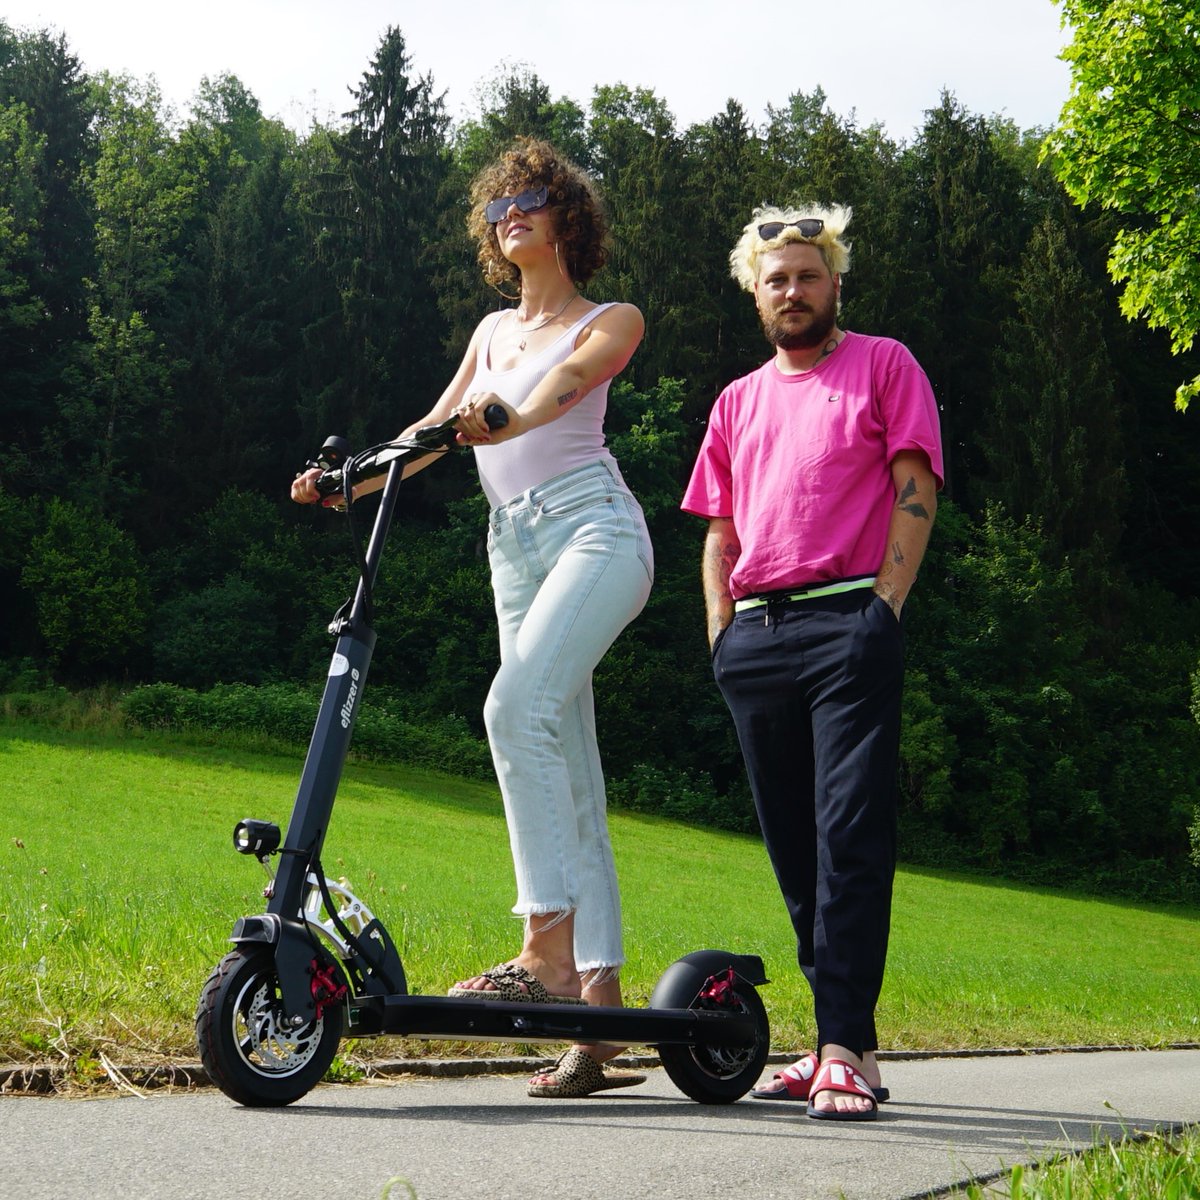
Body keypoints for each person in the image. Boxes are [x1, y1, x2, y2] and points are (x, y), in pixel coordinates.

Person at [292, 138, 653, 1099]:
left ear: (568, 217)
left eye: (531, 198)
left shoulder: (607, 318)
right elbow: (436, 428)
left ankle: (543, 950)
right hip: (515, 547)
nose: (511, 214)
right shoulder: (493, 330)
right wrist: (352, 479)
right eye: (498, 206)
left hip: (594, 531)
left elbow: (556, 394)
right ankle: (603, 1012)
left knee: (512, 711)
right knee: (566, 759)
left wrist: (502, 419)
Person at [681, 204, 943, 1121]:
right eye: (776, 278)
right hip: (755, 636)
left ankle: (837, 1042)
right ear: (756, 293)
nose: (793, 290)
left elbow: (916, 485)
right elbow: (718, 528)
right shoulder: (737, 400)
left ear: (835, 282)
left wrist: (884, 610)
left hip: (849, 626)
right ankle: (850, 1049)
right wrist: (721, 633)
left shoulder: (884, 364)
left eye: (808, 274)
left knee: (850, 837)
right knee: (796, 849)